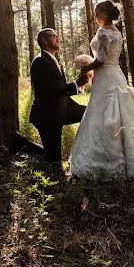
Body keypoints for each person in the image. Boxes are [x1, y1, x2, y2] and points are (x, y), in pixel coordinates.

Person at [69, 0, 134, 178]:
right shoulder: (117, 32)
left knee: (103, 113)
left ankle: (108, 160)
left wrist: (86, 68)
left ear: (106, 14)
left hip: (105, 76)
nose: (95, 16)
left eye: (98, 12)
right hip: (116, 73)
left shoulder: (103, 32)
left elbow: (101, 59)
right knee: (122, 113)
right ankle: (132, 156)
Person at [21, 27, 91, 165]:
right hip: (47, 116)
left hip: (61, 110)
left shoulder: (53, 60)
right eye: (54, 36)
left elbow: (61, 92)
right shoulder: (40, 61)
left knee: (90, 112)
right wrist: (76, 85)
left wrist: (78, 87)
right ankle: (21, 143)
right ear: (44, 41)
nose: (58, 38)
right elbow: (50, 90)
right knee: (54, 161)